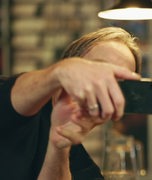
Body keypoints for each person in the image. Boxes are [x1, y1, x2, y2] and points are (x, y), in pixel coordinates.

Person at [0, 27, 142, 179]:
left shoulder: (80, 163)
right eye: (97, 68)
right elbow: (12, 97)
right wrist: (58, 73)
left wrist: (59, 148)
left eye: (119, 82)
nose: (105, 84)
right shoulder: (24, 103)